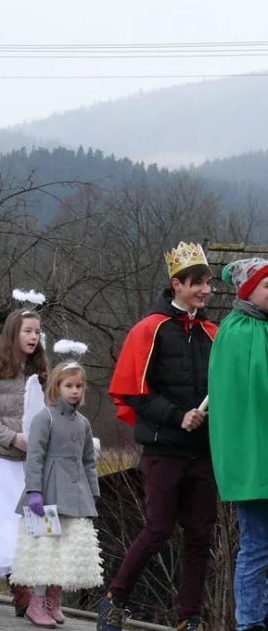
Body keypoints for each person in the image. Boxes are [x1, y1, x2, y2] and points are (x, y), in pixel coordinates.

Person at [101, 242, 217, 631]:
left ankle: (189, 618)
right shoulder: (149, 329)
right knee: (157, 530)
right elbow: (133, 391)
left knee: (200, 537)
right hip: (163, 449)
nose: (205, 290)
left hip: (203, 454)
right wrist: (176, 416)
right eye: (198, 283)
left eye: (208, 283)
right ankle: (115, 599)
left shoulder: (212, 332)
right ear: (176, 284)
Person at [11, 348, 103, 629]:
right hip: (49, 493)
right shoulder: (45, 418)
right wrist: (34, 491)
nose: (74, 391)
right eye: (68, 386)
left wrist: (93, 491)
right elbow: (35, 457)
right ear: (56, 387)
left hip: (74, 496)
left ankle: (53, 598)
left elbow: (88, 460)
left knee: (64, 549)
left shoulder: (84, 423)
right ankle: (36, 602)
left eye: (78, 386)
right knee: (46, 550)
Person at [0, 296, 48, 615]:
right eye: (27, 331)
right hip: (1, 460)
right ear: (13, 333)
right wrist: (14, 437)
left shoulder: (40, 371)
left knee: (28, 526)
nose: (33, 337)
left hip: (29, 465)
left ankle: (26, 589)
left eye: (37, 332)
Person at [208, 258, 268, 631]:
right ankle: (249, 621)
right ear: (248, 291)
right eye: (267, 287)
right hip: (255, 458)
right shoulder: (241, 332)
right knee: (258, 545)